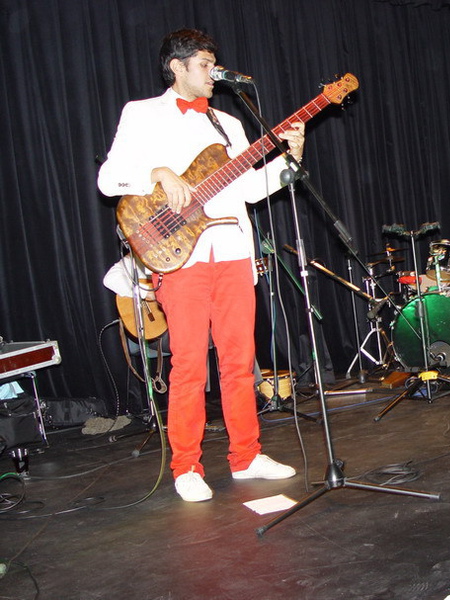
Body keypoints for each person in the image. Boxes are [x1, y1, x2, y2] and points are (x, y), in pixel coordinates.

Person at [98, 28, 305, 502]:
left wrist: (291, 158)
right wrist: (156, 173)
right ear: (177, 66)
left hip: (232, 251)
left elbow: (249, 189)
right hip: (180, 255)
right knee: (189, 365)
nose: (214, 73)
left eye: (215, 64)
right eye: (205, 65)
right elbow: (109, 179)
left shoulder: (228, 123)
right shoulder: (142, 113)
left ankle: (246, 456)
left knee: (240, 363)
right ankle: (186, 466)